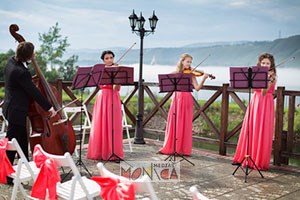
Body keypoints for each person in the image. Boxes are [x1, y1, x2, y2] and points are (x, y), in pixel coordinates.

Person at [3, 41, 57, 166]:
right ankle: (5, 174)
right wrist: (49, 108)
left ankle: (25, 165)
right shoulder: (22, 72)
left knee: (22, 140)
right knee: (12, 143)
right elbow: (34, 92)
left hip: (10, 107)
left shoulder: (11, 62)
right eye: (33, 52)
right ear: (29, 55)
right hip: (16, 110)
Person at [232, 53, 277, 170]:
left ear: (271, 65)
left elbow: (263, 92)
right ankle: (244, 157)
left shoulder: (273, 77)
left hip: (265, 103)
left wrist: (268, 80)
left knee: (261, 129)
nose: (265, 65)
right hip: (255, 102)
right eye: (263, 63)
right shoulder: (256, 74)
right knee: (250, 129)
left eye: (267, 63)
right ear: (259, 64)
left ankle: (257, 160)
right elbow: (253, 89)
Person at [159, 53, 209, 156]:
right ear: (182, 62)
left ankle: (182, 149)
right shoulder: (177, 73)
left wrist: (203, 78)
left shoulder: (191, 74)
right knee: (175, 121)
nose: (189, 63)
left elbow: (197, 88)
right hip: (177, 98)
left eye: (190, 62)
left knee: (185, 123)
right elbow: (166, 79)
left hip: (187, 98)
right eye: (187, 61)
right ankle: (171, 147)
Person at [86, 50, 123, 161]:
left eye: (111, 57)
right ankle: (100, 152)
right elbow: (99, 84)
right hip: (103, 97)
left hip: (114, 96)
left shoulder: (117, 69)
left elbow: (116, 88)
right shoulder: (100, 71)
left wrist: (117, 74)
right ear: (103, 60)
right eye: (107, 58)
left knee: (114, 125)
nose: (109, 60)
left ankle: (113, 152)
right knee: (101, 124)